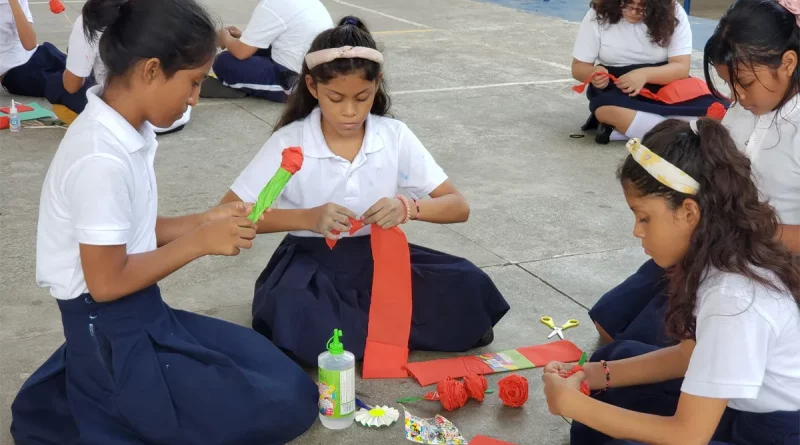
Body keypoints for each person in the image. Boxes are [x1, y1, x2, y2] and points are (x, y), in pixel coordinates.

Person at [9, 0, 318, 443]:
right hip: (109, 330)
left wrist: (204, 219)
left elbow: (131, 230)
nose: (195, 99)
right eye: (192, 83)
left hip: (141, 312)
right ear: (150, 70)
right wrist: (200, 242)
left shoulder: (127, 128)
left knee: (277, 375)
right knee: (279, 404)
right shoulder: (100, 158)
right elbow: (107, 281)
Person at [219, 16, 511, 367]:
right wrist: (308, 218)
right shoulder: (292, 142)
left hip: (379, 256)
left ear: (377, 85)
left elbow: (457, 206)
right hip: (311, 262)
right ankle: (378, 330)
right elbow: (231, 215)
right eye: (335, 98)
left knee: (468, 285)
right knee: (296, 311)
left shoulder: (393, 135)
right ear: (312, 87)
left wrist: (408, 208)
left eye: (362, 97)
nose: (349, 111)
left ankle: (360, 331)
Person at [543, 118, 800, 445]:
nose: (637, 230)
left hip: (769, 434)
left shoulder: (733, 299)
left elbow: (688, 435)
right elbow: (688, 356)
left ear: (690, 213)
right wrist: (599, 375)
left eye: (644, 217)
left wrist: (571, 403)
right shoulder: (716, 260)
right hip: (736, 411)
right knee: (617, 360)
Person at [587, 0, 800, 348]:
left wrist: (744, 232)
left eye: (745, 82)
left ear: (788, 63)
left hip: (767, 267)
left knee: (639, 352)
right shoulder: (742, 111)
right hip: (714, 247)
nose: (738, 96)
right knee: (609, 323)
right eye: (731, 85)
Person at [571, 0, 726, 144]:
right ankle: (685, 135)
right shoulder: (598, 13)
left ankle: (627, 130)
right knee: (606, 110)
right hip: (618, 86)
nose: (632, 12)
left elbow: (680, 68)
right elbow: (578, 67)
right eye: (626, 5)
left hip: (665, 81)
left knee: (720, 111)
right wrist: (593, 73)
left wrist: (644, 75)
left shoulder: (673, 12)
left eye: (641, 8)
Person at [48, 12, 192, 132]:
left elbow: (72, 86)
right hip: (176, 114)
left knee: (54, 84)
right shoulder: (165, 10)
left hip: (127, 121)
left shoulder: (91, 21)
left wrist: (75, 61)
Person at [202, 0, 333, 101]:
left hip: (296, 82)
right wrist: (245, 38)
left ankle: (238, 86)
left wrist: (224, 37)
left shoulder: (272, 5)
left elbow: (241, 52)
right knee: (253, 48)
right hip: (315, 71)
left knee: (224, 62)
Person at [0, 0, 90, 122]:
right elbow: (29, 44)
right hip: (16, 73)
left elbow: (31, 44)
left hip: (39, 54)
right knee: (68, 87)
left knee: (89, 70)